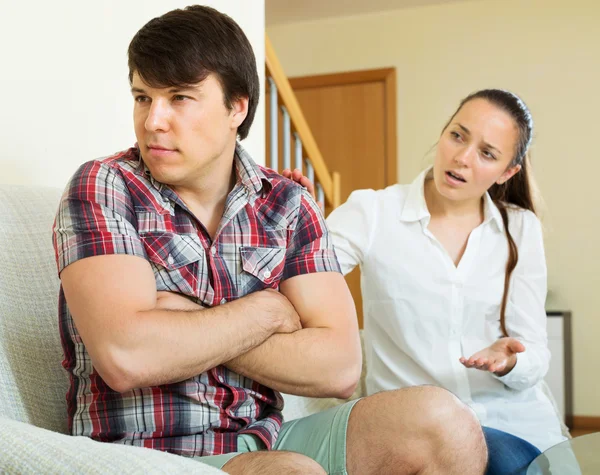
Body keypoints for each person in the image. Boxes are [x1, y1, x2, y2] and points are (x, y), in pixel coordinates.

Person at [52, 5, 487, 474]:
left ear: (236, 107)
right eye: (142, 97)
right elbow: (127, 355)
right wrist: (265, 312)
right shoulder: (105, 185)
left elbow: (339, 367)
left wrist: (196, 320)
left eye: (179, 98)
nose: (153, 120)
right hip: (149, 451)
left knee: (448, 425)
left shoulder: (287, 204)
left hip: (266, 436)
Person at [285, 88, 567, 473]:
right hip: (419, 426)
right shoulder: (373, 212)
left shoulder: (520, 228)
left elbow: (535, 352)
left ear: (507, 173)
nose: (462, 157)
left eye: (487, 153)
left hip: (515, 418)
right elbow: (297, 275)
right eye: (458, 135)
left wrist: (511, 360)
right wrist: (294, 220)